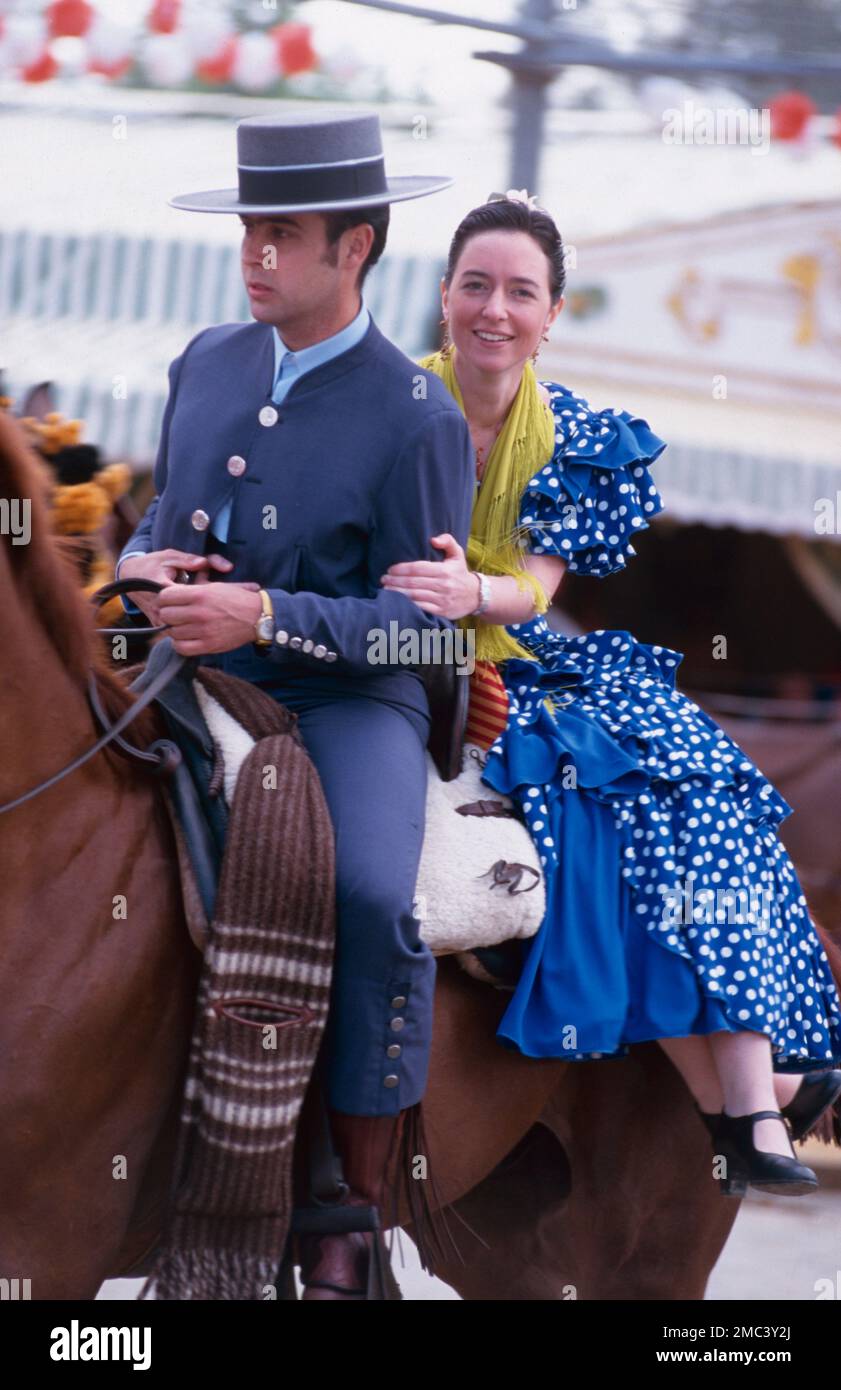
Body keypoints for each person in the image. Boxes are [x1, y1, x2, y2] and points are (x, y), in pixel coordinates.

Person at [380, 192, 841, 1199]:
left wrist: (468, 591)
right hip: (393, 650)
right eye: (475, 285)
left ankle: (751, 1095)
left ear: (552, 313)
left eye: (520, 291)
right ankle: (746, 1099)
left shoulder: (582, 434)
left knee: (694, 778)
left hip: (523, 645)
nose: (494, 308)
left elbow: (533, 592)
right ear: (444, 298)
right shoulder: (385, 404)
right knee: (598, 826)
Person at [116, 110, 476, 1298]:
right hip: (193, 666)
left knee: (375, 896)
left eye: (281, 235)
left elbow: (424, 623)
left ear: (354, 248)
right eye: (248, 232)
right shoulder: (205, 359)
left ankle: (349, 1216)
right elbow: (162, 531)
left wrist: (266, 616)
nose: (254, 254)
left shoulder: (417, 416)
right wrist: (134, 576)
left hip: (348, 697)